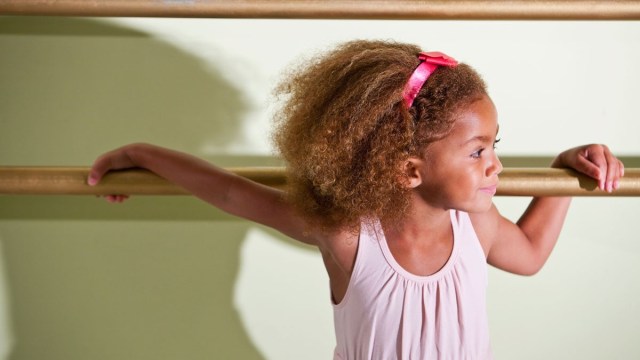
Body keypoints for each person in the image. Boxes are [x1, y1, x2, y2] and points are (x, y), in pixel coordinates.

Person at [87, 40, 624, 359]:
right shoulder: (348, 236)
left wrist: (565, 168)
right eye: (478, 151)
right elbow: (231, 191)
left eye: (495, 145)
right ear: (408, 170)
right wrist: (145, 153)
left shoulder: (475, 222)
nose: (496, 166)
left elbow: (529, 253)